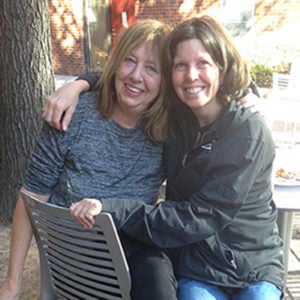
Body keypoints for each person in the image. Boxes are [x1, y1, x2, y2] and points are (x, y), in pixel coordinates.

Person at [48, 16, 285, 299]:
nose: (190, 75)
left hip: (251, 269)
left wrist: (112, 207)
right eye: (180, 65)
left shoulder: (247, 133)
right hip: (197, 266)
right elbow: (131, 78)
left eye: (203, 64)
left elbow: (201, 216)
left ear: (222, 67)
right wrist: (78, 84)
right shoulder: (177, 117)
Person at [0, 19, 178, 300]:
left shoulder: (168, 132)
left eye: (151, 69)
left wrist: (246, 95)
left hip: (134, 250)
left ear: (165, 81)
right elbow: (31, 196)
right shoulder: (73, 115)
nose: (136, 76)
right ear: (116, 63)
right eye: (129, 61)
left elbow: (205, 87)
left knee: (159, 274)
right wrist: (12, 284)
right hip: (76, 255)